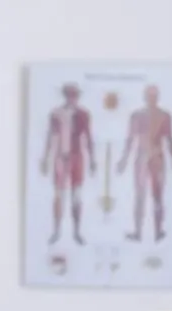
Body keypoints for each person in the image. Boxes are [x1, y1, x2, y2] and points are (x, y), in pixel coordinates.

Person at [117, 83, 172, 242]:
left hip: (157, 157)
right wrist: (124, 160)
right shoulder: (137, 115)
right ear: (145, 98)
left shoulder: (164, 116)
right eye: (149, 96)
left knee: (158, 196)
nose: (152, 99)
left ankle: (158, 231)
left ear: (157, 98)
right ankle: (138, 232)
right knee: (140, 195)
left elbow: (169, 139)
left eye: (154, 96)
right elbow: (130, 139)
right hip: (142, 157)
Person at [40, 81, 94, 245]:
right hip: (60, 157)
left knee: (76, 195)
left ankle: (76, 232)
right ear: (65, 96)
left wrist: (92, 159)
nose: (72, 98)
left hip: (77, 157)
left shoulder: (84, 114)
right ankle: (56, 231)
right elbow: (50, 136)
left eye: (75, 95)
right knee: (58, 195)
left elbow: (88, 137)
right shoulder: (56, 113)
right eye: (70, 95)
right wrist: (45, 158)